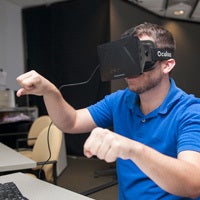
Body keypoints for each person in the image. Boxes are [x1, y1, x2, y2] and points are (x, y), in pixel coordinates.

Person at [16, 22, 200, 200]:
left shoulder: (190, 111)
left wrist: (133, 149)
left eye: (140, 57)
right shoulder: (119, 100)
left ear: (167, 64)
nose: (130, 69)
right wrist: (50, 92)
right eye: (127, 58)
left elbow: (194, 183)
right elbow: (70, 122)